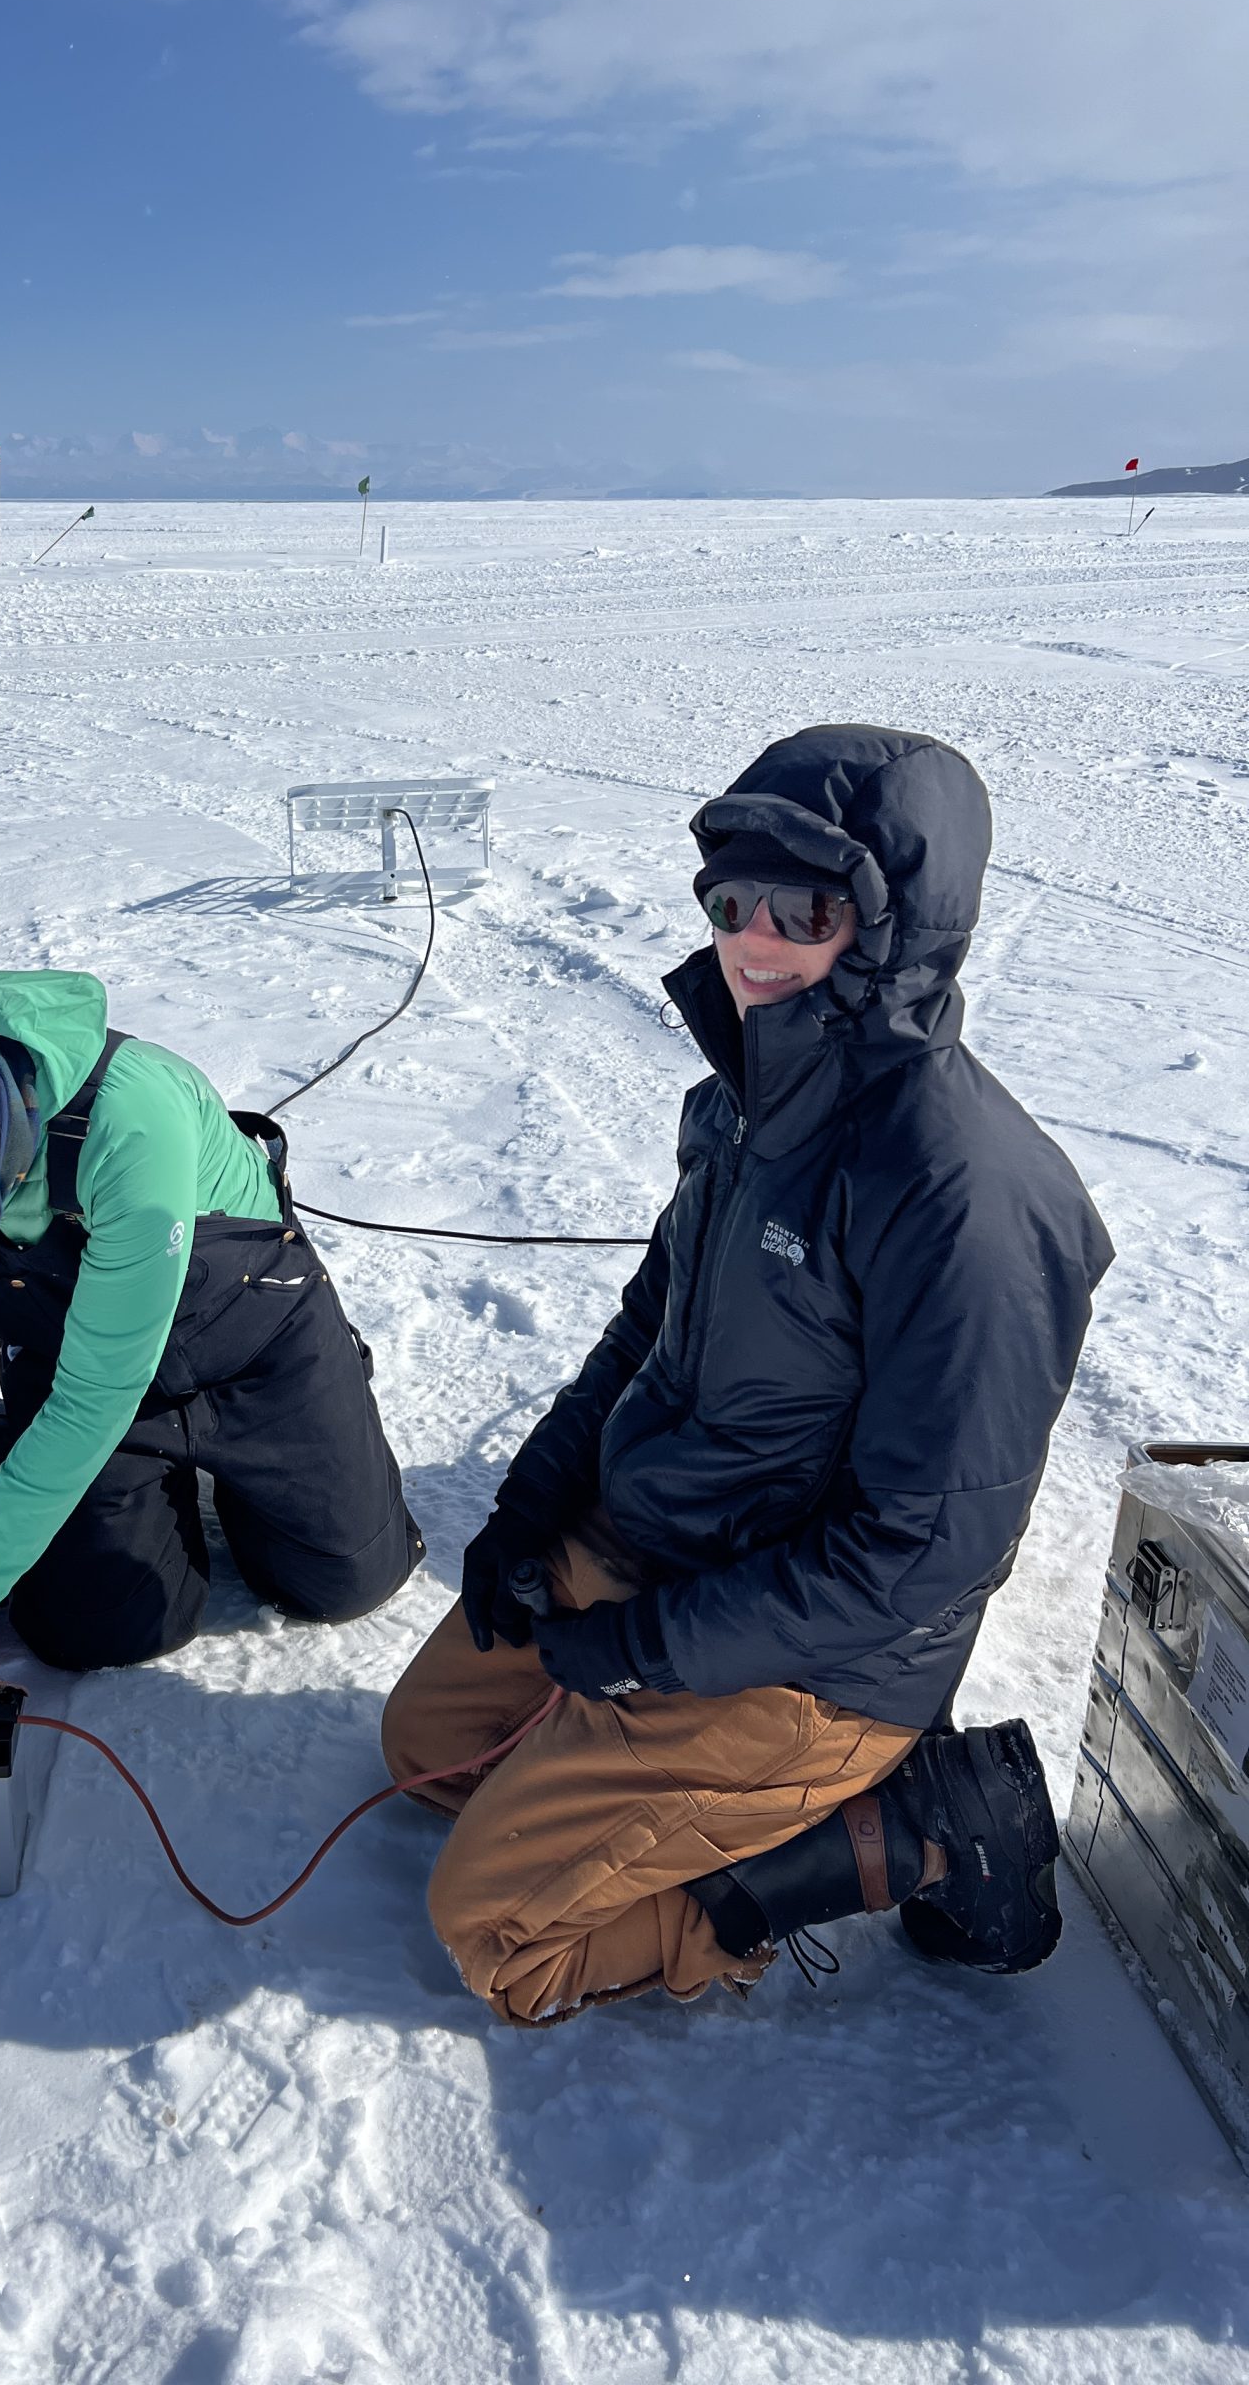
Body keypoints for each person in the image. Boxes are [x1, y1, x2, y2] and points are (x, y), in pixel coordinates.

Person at [382, 723, 1114, 2023]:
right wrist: (528, 1511)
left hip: (817, 1660)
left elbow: (918, 1558)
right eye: (733, 898)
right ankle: (634, 1778)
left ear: (894, 930)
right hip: (675, 1542)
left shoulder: (965, 1200)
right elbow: (645, 1331)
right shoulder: (743, 1102)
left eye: (807, 905)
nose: (754, 938)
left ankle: (908, 1824)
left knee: (501, 1937)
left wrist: (650, 1650)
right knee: (425, 1756)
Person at [0, 968, 421, 1714]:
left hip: (250, 1345)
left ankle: (306, 1432)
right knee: (100, 1629)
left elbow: (90, 1401)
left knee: (343, 1582)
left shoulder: (132, 1121)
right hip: (78, 1354)